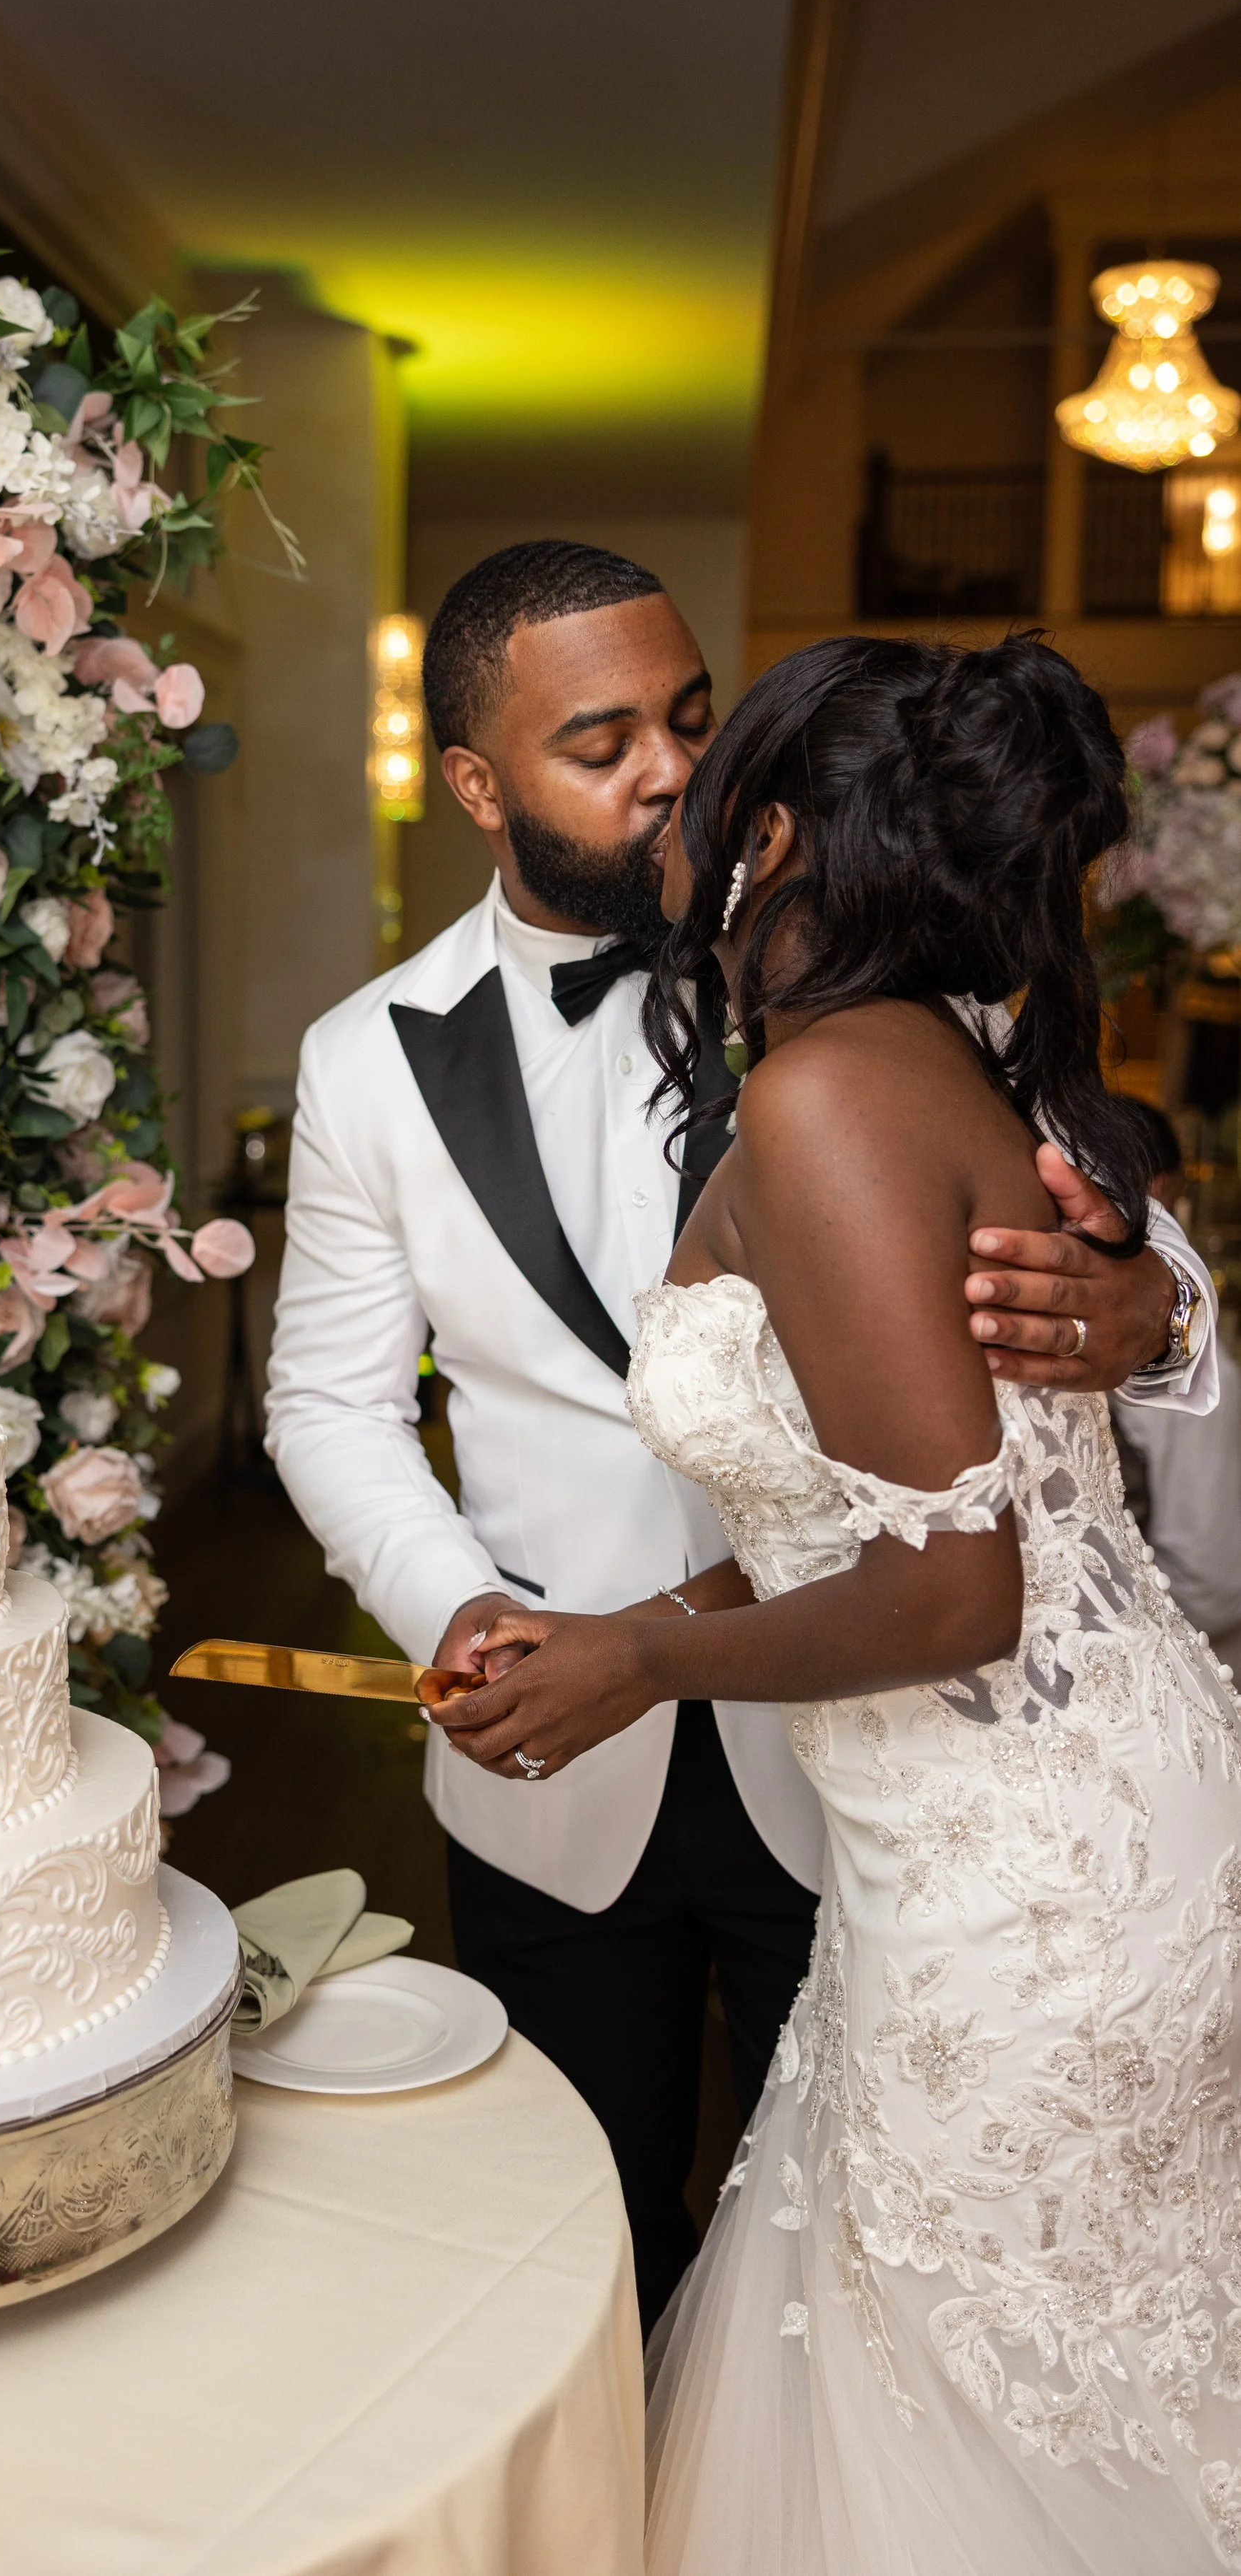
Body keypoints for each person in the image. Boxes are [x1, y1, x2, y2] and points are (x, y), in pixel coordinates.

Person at [263, 543, 1217, 2330]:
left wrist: (1154, 1304)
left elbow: (1080, 1182)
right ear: (476, 782)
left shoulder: (876, 959)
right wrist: (465, 1617)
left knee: (879, 2268)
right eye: (600, 740)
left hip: (877, 1751)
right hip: (557, 1738)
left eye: (694, 719)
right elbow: (328, 1402)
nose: (670, 772)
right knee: (581, 2236)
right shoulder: (367, 1059)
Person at [424, 631, 1241, 2572]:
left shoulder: (834, 1095)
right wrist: (655, 1605)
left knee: (1006, 2394)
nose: (674, 797)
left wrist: (641, 1653)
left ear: (770, 831)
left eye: (708, 771)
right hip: (1030, 1822)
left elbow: (952, 1583)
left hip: (1022, 1870)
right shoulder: (932, 1050)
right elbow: (865, 1496)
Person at [1109, 1096, 1241, 1661]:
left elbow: (1211, 1581)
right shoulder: (1171, 1338)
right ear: (1163, 1189)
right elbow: (1213, 1577)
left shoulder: (1180, 1345)